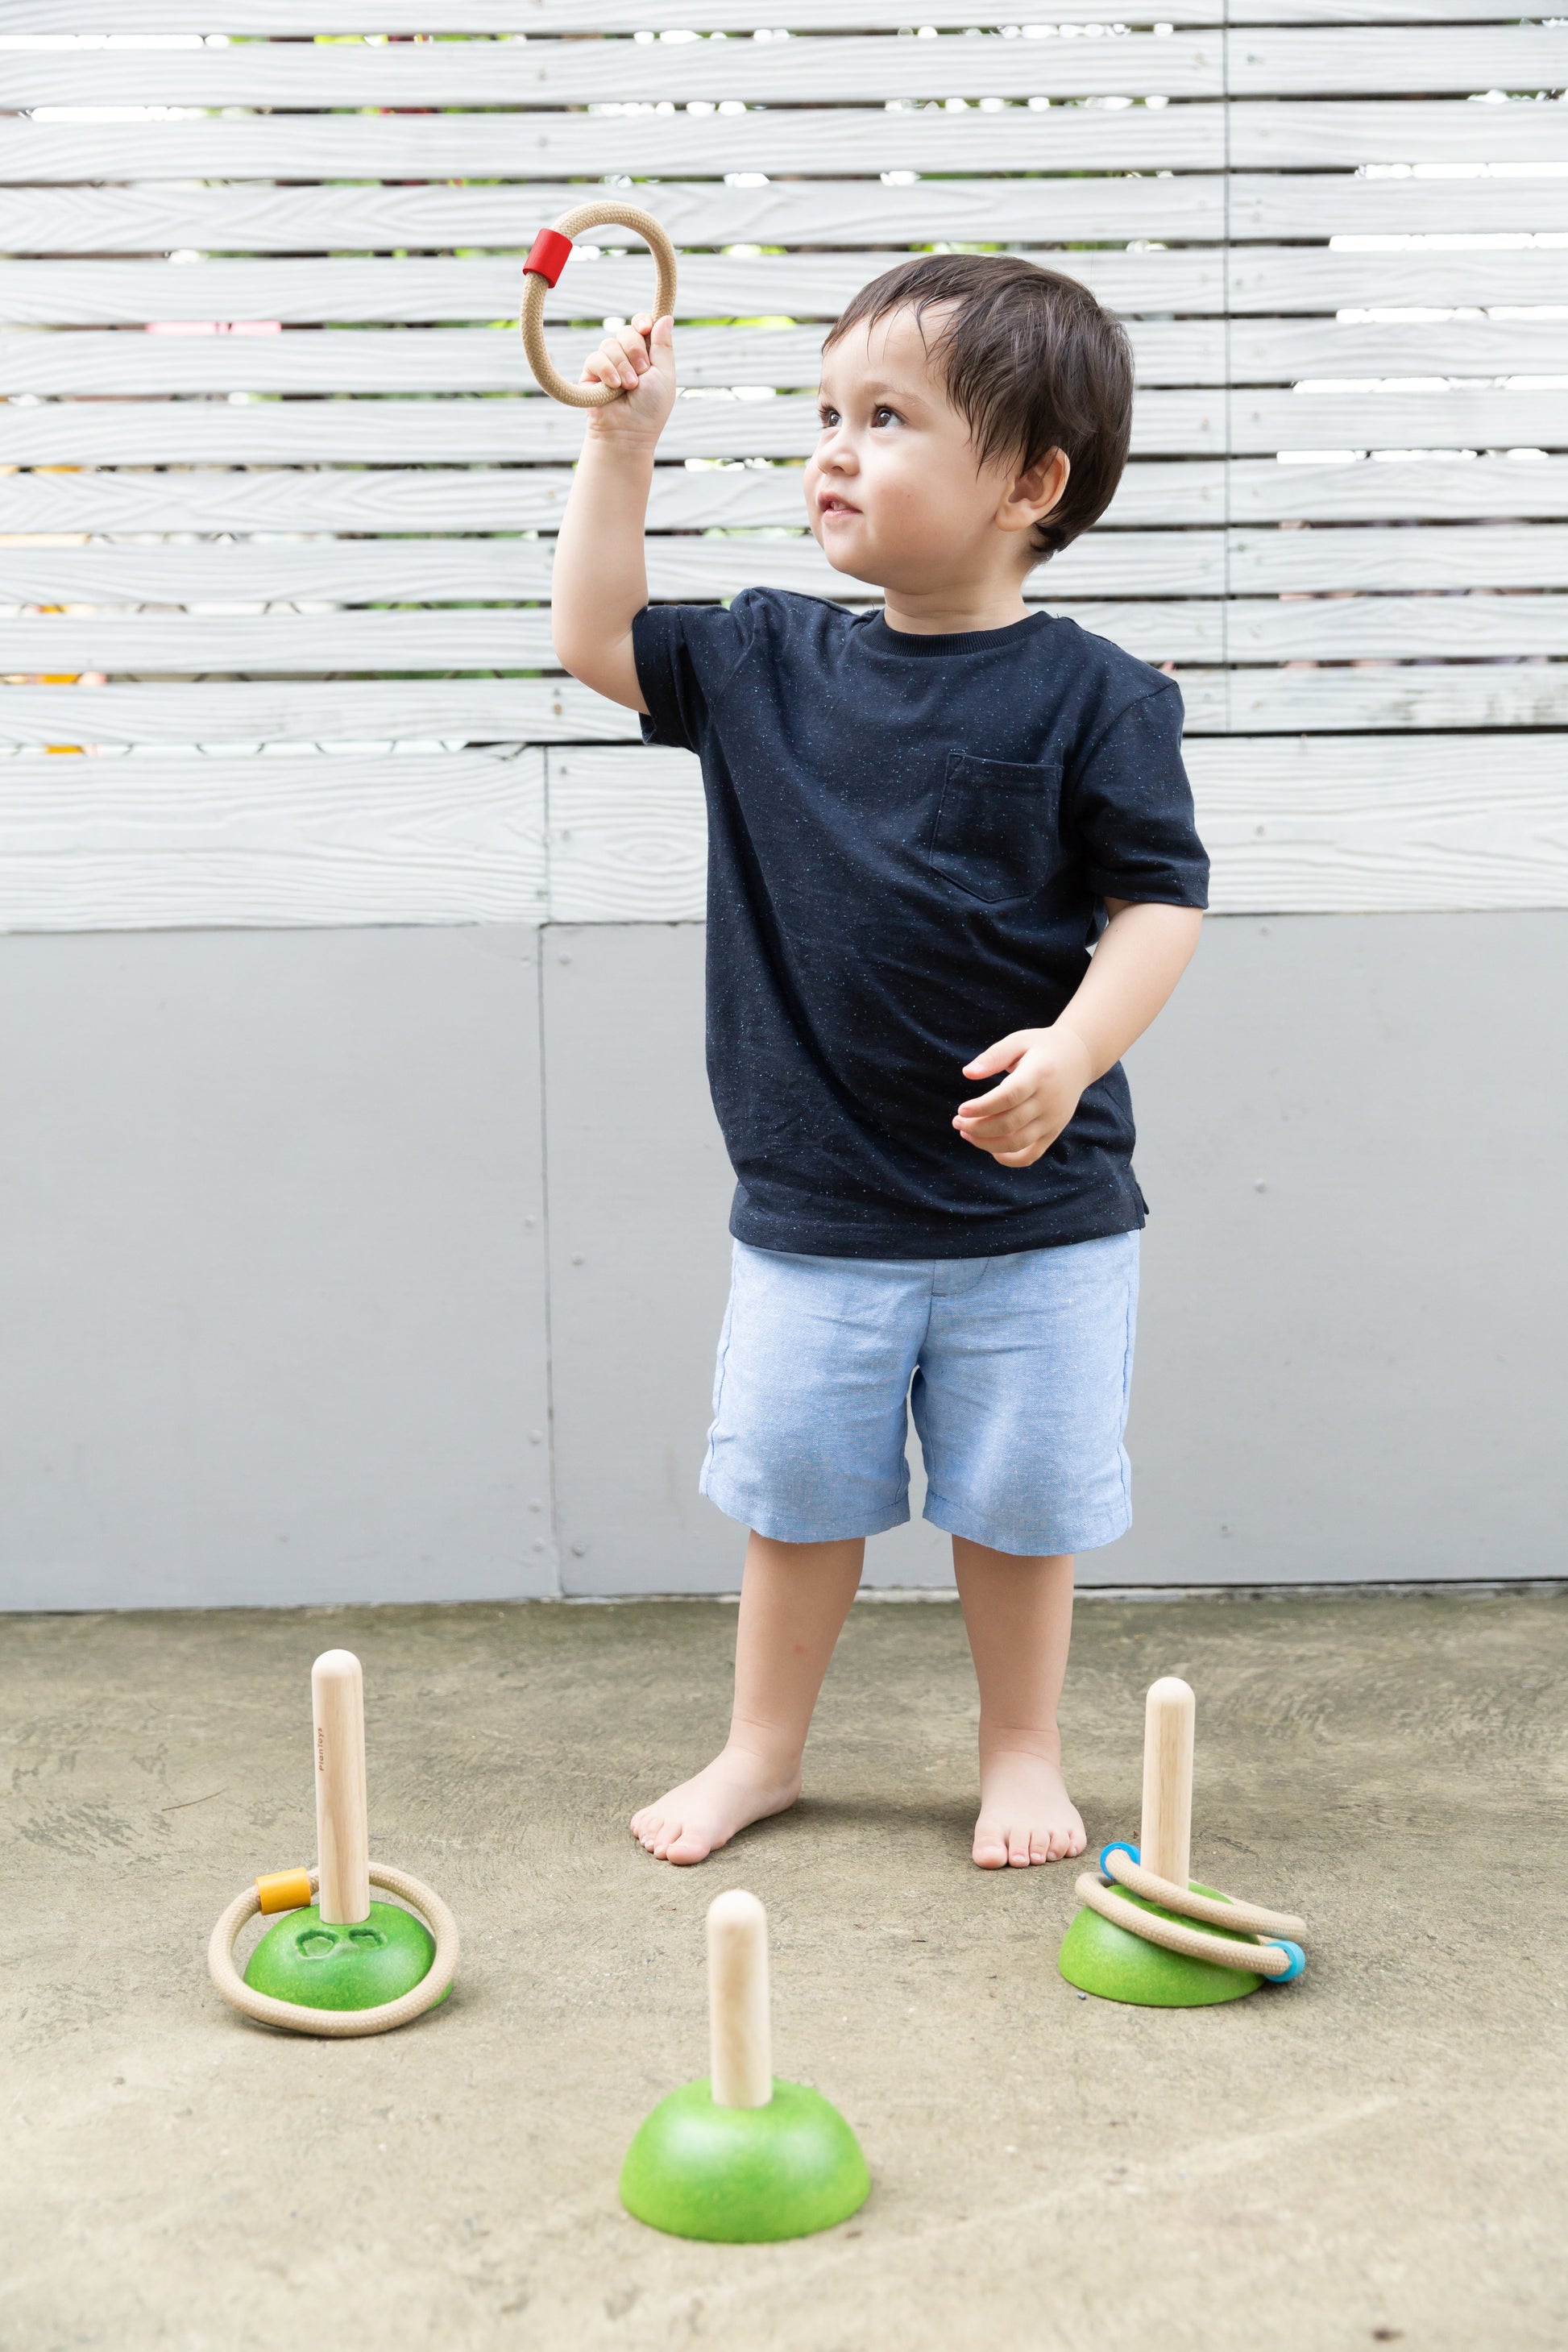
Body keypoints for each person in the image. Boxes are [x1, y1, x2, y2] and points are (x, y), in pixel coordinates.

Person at [552, 253, 1207, 1871]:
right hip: (815, 1209)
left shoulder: (1099, 698)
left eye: (889, 418)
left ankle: (1020, 1751)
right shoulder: (768, 661)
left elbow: (1159, 903)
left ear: (1029, 485)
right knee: (796, 1500)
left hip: (1035, 1217)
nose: (834, 450)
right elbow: (594, 636)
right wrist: (621, 445)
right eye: (825, 415)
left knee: (1020, 1510)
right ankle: (761, 1751)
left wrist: (1075, 1045)